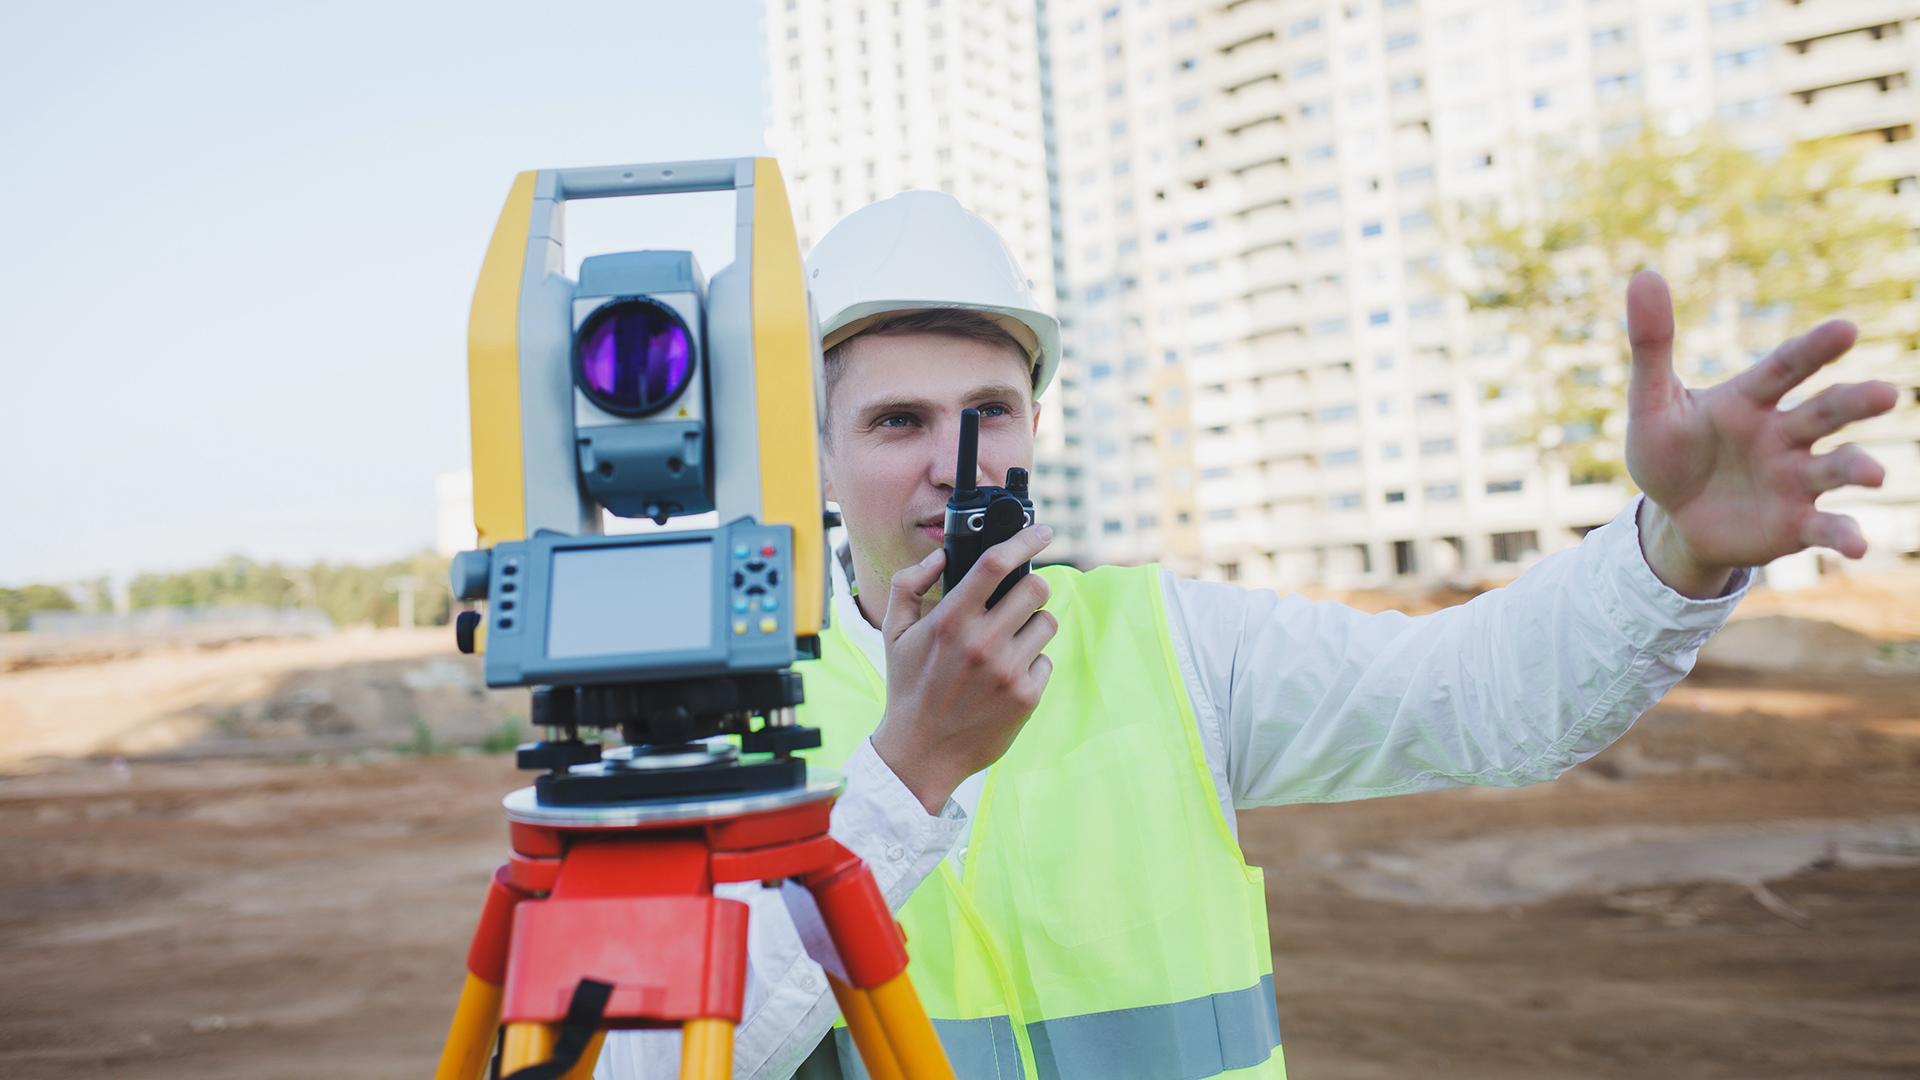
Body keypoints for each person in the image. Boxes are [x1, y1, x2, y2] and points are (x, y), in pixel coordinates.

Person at [596, 192, 1896, 1080]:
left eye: (990, 407)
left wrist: (1676, 548)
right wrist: (907, 782)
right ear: (816, 455)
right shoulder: (712, 710)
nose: (957, 463)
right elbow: (638, 1059)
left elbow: (1487, 699)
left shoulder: (1167, 638)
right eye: (897, 423)